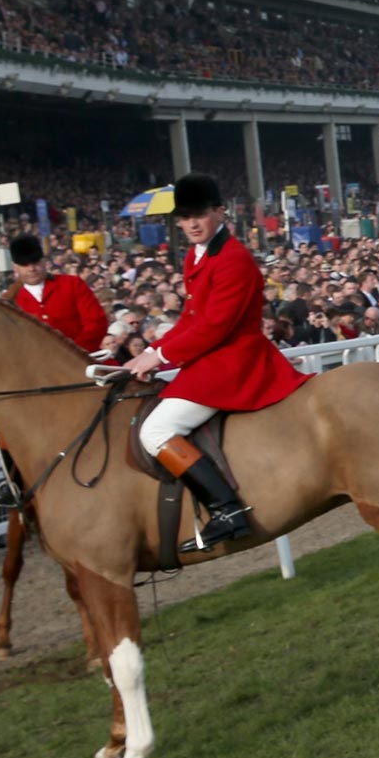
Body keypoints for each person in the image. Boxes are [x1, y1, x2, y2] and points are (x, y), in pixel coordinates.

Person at [118, 174, 308, 552]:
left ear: (219, 212)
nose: (190, 223)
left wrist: (159, 355)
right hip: (214, 357)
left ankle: (227, 510)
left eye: (199, 215)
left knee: (154, 431)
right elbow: (191, 319)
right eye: (184, 217)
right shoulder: (196, 254)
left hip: (233, 361)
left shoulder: (233, 258)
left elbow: (214, 327)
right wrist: (150, 352)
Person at [0, 231, 110, 509]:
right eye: (25, 264)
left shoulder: (71, 285)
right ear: (16, 268)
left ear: (44, 262)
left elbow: (96, 323)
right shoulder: (7, 303)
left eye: (36, 262)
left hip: (84, 366)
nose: (32, 268)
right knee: (5, 430)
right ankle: (13, 483)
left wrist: (67, 357)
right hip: (36, 381)